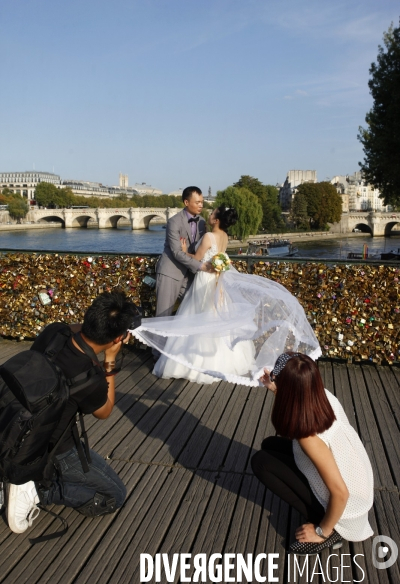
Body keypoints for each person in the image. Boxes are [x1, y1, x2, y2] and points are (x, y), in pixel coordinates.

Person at [132, 206, 321, 385]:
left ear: (215, 219)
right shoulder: (224, 236)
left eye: (212, 213)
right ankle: (225, 362)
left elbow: (197, 260)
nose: (209, 214)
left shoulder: (208, 236)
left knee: (199, 318)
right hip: (217, 282)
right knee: (214, 318)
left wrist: (182, 251)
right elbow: (219, 258)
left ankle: (193, 364)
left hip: (205, 280)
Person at [6, 291, 139, 536]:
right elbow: (105, 412)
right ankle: (37, 491)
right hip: (55, 446)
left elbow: (74, 329)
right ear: (117, 338)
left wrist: (104, 333)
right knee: (115, 495)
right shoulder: (90, 378)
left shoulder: (54, 331)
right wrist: (110, 359)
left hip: (12, 420)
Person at [251, 352, 374, 556]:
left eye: (276, 377)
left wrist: (321, 531)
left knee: (261, 463)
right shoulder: (320, 395)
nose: (273, 378)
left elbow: (340, 493)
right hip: (356, 482)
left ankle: (331, 528)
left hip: (346, 508)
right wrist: (275, 389)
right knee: (269, 445)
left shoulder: (309, 437)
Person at [155, 186, 212, 319]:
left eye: (202, 202)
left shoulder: (203, 222)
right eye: (197, 202)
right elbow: (176, 252)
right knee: (163, 317)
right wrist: (200, 266)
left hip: (190, 275)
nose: (201, 205)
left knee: (195, 311)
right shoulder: (173, 222)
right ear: (186, 203)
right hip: (170, 273)